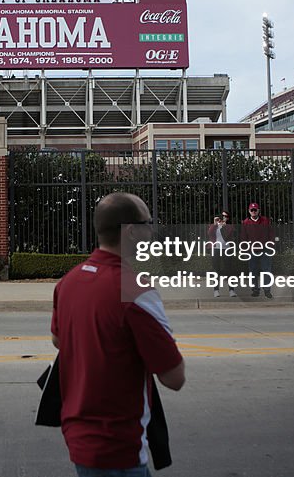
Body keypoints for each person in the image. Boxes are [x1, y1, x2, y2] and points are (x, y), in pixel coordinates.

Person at [51, 192, 185, 476]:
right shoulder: (135, 290)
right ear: (133, 232)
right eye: (149, 223)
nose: (152, 231)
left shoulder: (69, 282)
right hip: (119, 451)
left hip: (79, 439)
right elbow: (174, 377)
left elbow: (58, 340)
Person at [241, 202, 277, 298]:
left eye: (255, 210)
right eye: (251, 210)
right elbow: (244, 238)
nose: (253, 211)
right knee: (253, 270)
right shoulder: (245, 222)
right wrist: (244, 250)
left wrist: (271, 244)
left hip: (265, 248)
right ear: (249, 211)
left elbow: (271, 233)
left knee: (266, 270)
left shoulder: (265, 220)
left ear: (258, 211)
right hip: (252, 249)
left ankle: (267, 290)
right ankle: (255, 290)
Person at [207, 211, 238, 298]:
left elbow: (226, 237)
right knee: (216, 270)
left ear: (227, 218)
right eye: (221, 216)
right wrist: (214, 224)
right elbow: (209, 234)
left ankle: (231, 290)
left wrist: (223, 227)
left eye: (225, 216)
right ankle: (216, 290)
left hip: (226, 249)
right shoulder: (213, 226)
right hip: (215, 249)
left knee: (229, 270)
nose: (223, 218)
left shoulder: (230, 227)